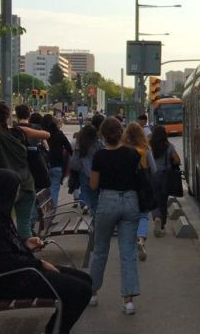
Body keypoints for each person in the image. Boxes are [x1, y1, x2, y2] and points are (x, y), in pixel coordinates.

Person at [0, 169, 92, 334]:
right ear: (3, 192)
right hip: (10, 281)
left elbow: (3, 250)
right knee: (81, 290)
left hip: (20, 273)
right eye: (15, 191)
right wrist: (39, 263)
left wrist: (25, 243)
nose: (17, 195)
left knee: (85, 280)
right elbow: (4, 261)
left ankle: (56, 328)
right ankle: (54, 331)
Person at [89, 117, 141, 314]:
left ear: (102, 135)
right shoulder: (132, 154)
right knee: (128, 251)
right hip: (130, 201)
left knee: (100, 249)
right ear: (121, 133)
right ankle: (128, 300)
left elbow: (94, 185)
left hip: (107, 201)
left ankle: (93, 293)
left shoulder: (99, 156)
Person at [0, 101, 49, 236]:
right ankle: (26, 253)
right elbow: (46, 135)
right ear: (8, 116)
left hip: (8, 186)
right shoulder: (18, 131)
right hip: (26, 183)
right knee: (24, 225)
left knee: (3, 223)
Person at [121, 123, 156, 261]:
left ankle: (130, 244)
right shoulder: (145, 149)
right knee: (143, 215)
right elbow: (154, 170)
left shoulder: (123, 149)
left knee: (129, 218)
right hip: (142, 186)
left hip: (127, 187)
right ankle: (140, 239)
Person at [149, 125, 181, 237]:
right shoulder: (169, 146)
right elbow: (177, 160)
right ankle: (162, 225)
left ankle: (156, 217)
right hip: (165, 177)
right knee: (163, 201)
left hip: (152, 176)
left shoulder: (149, 146)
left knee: (153, 200)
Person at [41, 114, 73, 211]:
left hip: (43, 166)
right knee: (54, 188)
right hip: (57, 165)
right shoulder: (59, 134)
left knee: (43, 190)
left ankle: (41, 212)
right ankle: (52, 211)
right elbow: (69, 148)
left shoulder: (41, 134)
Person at [70, 125, 101, 214]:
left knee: (84, 190)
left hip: (83, 172)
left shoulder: (80, 145)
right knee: (95, 194)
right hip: (96, 173)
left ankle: (86, 204)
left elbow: (74, 163)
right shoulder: (98, 144)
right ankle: (94, 211)